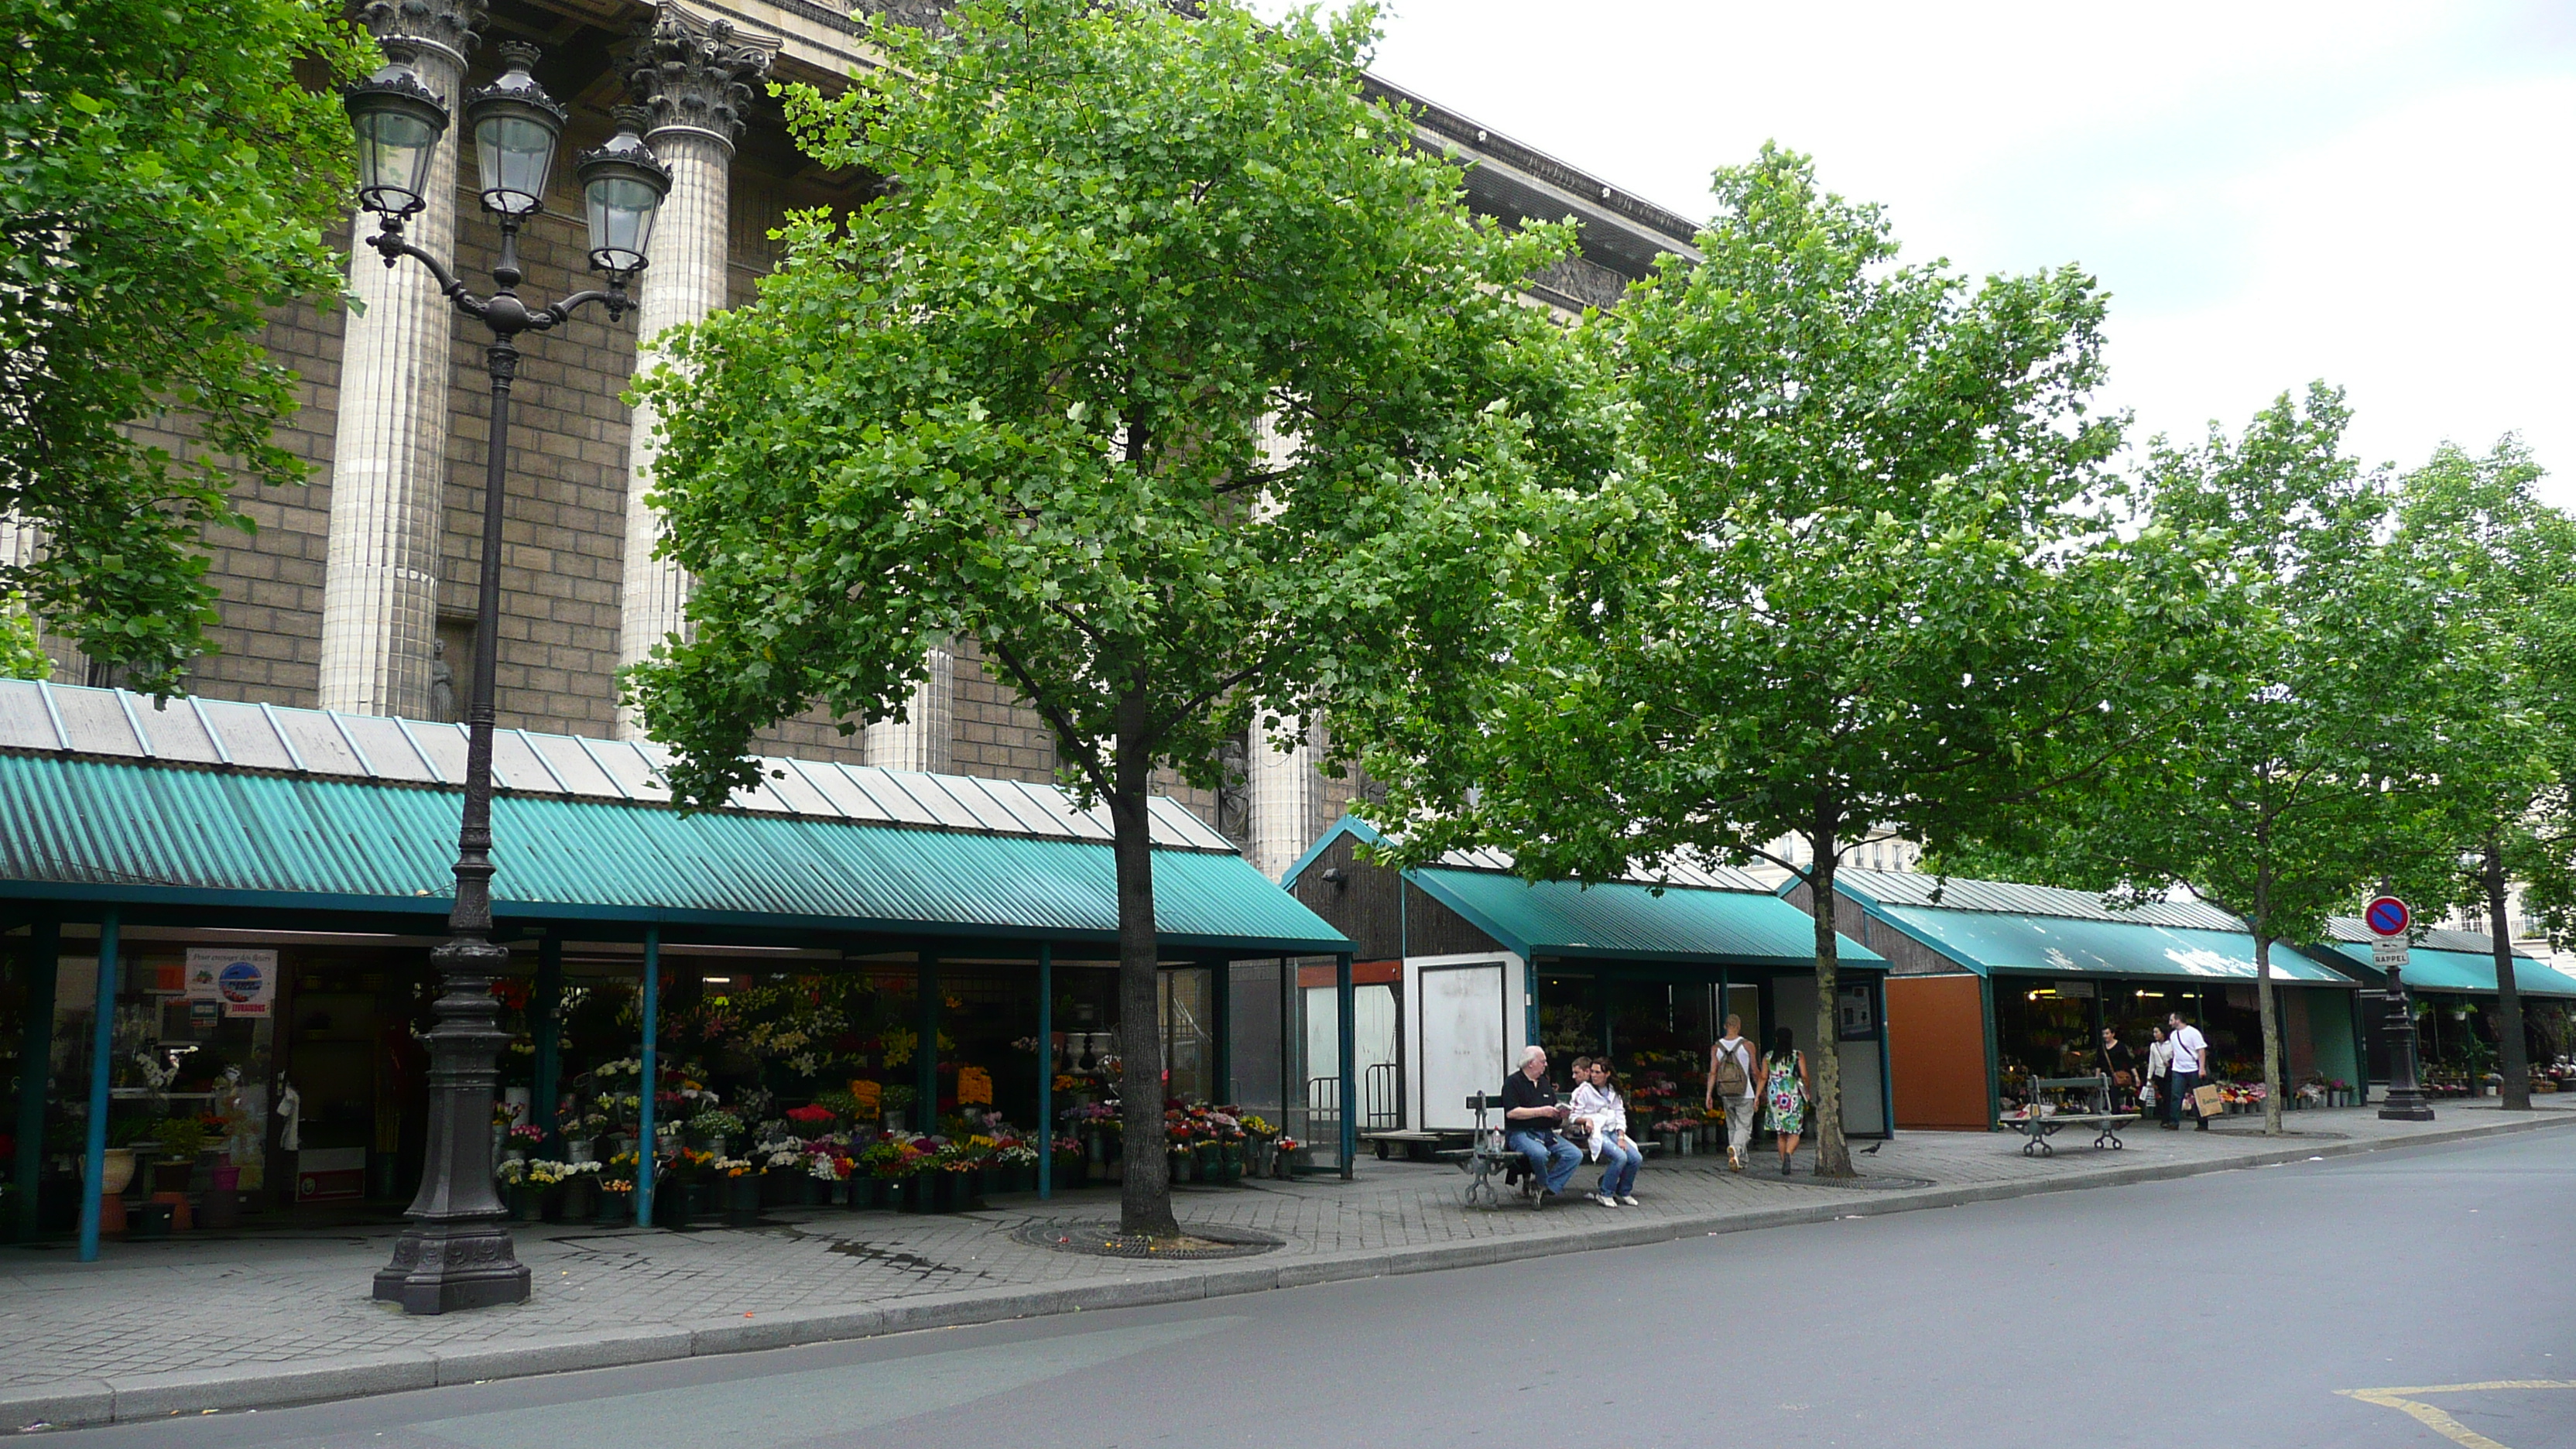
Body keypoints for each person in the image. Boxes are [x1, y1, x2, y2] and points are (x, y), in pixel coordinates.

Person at [1501, 1045, 1582, 1204]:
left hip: (1546, 1132)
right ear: (1531, 1063)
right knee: (1539, 1154)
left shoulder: (1544, 1083)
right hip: (1520, 1132)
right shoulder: (1513, 1082)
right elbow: (1511, 1112)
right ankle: (1542, 1184)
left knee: (1574, 1154)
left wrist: (1560, 1116)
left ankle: (1545, 1186)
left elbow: (1552, 1109)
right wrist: (1541, 1112)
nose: (1545, 1065)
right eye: (1543, 1062)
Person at [1571, 1060, 1643, 1207]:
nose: (1594, 1075)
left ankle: (1623, 1191)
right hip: (1596, 1132)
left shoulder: (1613, 1091)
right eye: (1592, 1072)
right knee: (1620, 1157)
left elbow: (1620, 1115)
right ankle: (1605, 1193)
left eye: (1598, 1072)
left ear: (1607, 1074)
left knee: (1636, 1158)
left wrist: (1621, 1136)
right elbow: (1573, 1116)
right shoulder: (1583, 1091)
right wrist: (1585, 1120)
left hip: (1613, 1132)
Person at [1704, 1014, 1761, 1171]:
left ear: (1725, 1026)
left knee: (1732, 1127)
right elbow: (1755, 1072)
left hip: (1726, 1093)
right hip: (1745, 1092)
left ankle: (1739, 1160)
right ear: (1739, 1026)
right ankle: (1736, 1149)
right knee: (1744, 1127)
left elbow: (1713, 1072)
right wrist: (1760, 1092)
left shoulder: (1716, 1048)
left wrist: (1709, 1094)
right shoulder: (1748, 1045)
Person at [1762, 1026, 1810, 1176]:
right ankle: (1789, 1154)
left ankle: (1784, 1162)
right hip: (1792, 1095)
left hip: (1775, 1097)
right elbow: (1804, 1076)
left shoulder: (1769, 1057)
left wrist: (1758, 1096)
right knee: (1795, 1131)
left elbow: (1763, 1077)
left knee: (1781, 1133)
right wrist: (1807, 1090)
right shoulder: (1797, 1056)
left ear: (1776, 1040)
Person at [2166, 1011, 2211, 1132]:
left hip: (2193, 1068)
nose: (2170, 1023)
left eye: (2171, 1020)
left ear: (2178, 1020)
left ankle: (2202, 1123)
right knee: (2176, 1095)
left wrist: (2201, 1068)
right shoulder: (2173, 1035)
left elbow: (2201, 1051)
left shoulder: (2193, 1033)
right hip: (2178, 1068)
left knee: (2198, 1095)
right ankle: (2174, 1122)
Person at [2096, 1026, 2139, 1109]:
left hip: (2117, 1076)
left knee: (2114, 1097)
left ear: (2113, 1034)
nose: (2105, 1036)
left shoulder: (2120, 1046)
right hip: (2105, 1076)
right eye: (2103, 1034)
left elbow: (2129, 1062)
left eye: (2107, 1034)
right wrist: (2097, 1078)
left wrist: (2136, 1076)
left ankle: (2116, 1115)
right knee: (2106, 1097)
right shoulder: (2101, 1047)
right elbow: (2099, 1064)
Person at [2144, 1026, 2174, 1125]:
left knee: (2168, 1096)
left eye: (2157, 1032)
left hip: (2169, 1073)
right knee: (2162, 1096)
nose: (2155, 1034)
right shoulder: (2153, 1046)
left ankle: (2167, 1119)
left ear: (2163, 1033)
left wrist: (2170, 1062)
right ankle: (2166, 1117)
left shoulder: (2171, 1044)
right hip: (2159, 1074)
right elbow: (2152, 1061)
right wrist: (2149, 1076)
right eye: (2154, 1032)